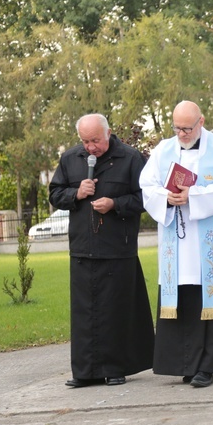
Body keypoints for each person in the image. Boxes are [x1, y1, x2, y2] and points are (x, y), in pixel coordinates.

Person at [139, 100, 213, 388]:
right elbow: (147, 185)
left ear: (201, 121)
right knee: (181, 302)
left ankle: (207, 366)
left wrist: (193, 195)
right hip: (176, 248)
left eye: (187, 127)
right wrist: (166, 198)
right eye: (177, 128)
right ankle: (183, 364)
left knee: (205, 300)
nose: (182, 133)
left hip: (210, 247)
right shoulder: (163, 150)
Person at [49, 113, 154, 388]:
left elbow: (146, 198)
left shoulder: (130, 158)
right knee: (84, 314)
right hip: (83, 249)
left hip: (117, 248)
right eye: (85, 141)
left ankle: (115, 368)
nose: (90, 147)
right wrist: (76, 194)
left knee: (114, 312)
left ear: (108, 133)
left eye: (95, 140)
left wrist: (115, 204)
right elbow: (55, 193)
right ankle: (85, 372)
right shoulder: (71, 159)